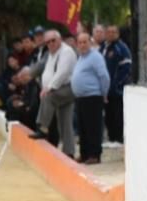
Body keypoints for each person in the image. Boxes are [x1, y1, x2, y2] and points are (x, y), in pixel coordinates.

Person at [27, 30, 78, 157]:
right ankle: (69, 151)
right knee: (64, 122)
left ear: (59, 39)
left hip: (68, 87)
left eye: (53, 40)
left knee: (48, 98)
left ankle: (42, 128)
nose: (50, 44)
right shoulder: (51, 53)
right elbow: (48, 71)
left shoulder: (67, 52)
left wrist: (48, 87)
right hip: (59, 88)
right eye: (48, 42)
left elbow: (62, 73)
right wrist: (46, 86)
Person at [71, 32, 110, 164]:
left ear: (90, 42)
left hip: (93, 96)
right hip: (81, 98)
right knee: (83, 128)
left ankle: (94, 155)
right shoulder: (81, 58)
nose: (82, 45)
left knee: (93, 127)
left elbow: (104, 76)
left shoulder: (95, 57)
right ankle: (84, 154)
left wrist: (104, 93)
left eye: (85, 42)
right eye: (80, 42)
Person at [103, 25, 132, 143]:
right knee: (109, 114)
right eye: (108, 32)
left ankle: (118, 138)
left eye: (113, 32)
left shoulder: (121, 48)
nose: (110, 34)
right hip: (106, 90)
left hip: (116, 90)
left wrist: (117, 83)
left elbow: (127, 66)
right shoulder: (104, 47)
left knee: (117, 114)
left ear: (118, 34)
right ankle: (111, 137)